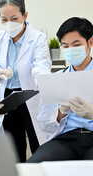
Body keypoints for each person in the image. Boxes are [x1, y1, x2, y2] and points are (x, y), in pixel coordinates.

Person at [0, 0, 51, 162]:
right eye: (4, 19)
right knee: (13, 149)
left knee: (38, 144)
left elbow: (41, 64)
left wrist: (42, 80)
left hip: (30, 95)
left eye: (14, 18)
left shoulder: (38, 38)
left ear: (25, 15)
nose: (9, 24)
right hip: (9, 97)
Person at [27, 17, 93, 162]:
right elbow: (45, 123)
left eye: (76, 44)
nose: (70, 50)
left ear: (90, 42)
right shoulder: (56, 78)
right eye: (66, 46)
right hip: (66, 140)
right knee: (33, 165)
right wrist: (60, 113)